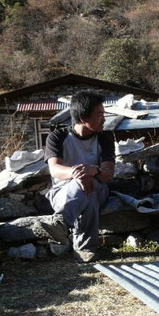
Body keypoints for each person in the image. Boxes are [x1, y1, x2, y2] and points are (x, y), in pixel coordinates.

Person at [45, 91, 115, 263]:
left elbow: (108, 174)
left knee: (89, 186)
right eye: (99, 115)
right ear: (83, 118)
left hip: (98, 188)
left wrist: (94, 171)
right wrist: (78, 173)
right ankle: (85, 249)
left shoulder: (105, 138)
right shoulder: (57, 137)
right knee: (85, 188)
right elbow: (55, 169)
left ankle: (61, 223)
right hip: (63, 192)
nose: (104, 119)